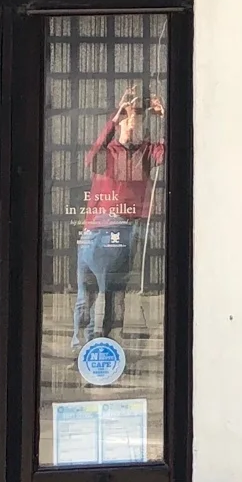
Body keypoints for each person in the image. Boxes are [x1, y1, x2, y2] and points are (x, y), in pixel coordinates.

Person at [75, 85, 163, 349]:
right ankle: (81, 344)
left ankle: (112, 342)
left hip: (125, 227)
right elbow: (91, 158)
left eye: (136, 125)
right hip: (95, 227)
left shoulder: (146, 151)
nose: (132, 130)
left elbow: (170, 151)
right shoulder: (109, 151)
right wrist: (115, 118)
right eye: (128, 124)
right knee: (85, 293)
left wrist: (166, 116)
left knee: (115, 292)